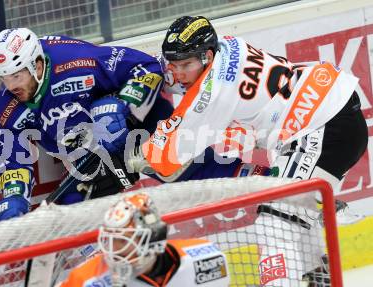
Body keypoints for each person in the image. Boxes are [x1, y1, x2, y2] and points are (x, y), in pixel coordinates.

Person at [125, 16, 368, 286]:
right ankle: (320, 277)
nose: (178, 73)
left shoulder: (212, 93)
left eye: (185, 65)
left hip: (323, 125)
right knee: (294, 211)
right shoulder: (228, 45)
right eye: (174, 64)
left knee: (274, 225)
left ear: (206, 56)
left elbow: (167, 159)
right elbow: (172, 73)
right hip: (325, 109)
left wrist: (130, 156)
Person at [0, 28, 174, 221]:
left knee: (183, 175)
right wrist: (15, 195)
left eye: (16, 77)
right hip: (89, 164)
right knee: (72, 223)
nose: (10, 86)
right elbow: (10, 155)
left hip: (142, 131)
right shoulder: (7, 105)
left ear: (38, 66)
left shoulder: (77, 60)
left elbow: (147, 67)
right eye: (4, 78)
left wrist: (122, 109)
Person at [60, 193, 230, 287]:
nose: (111, 249)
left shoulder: (206, 259)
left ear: (151, 239)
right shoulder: (87, 280)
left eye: (122, 241)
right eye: (109, 238)